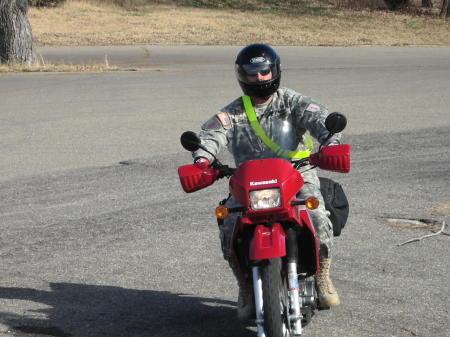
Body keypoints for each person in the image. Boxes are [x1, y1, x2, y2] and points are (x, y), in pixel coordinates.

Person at [191, 43, 341, 320]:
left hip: (296, 173)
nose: (259, 78)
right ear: (242, 76)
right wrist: (202, 159)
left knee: (317, 215)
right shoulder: (233, 112)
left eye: (264, 71)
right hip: (249, 181)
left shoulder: (293, 101)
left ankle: (322, 277)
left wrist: (330, 141)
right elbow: (212, 135)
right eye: (252, 73)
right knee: (228, 225)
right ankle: (245, 286)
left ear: (275, 71)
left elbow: (318, 117)